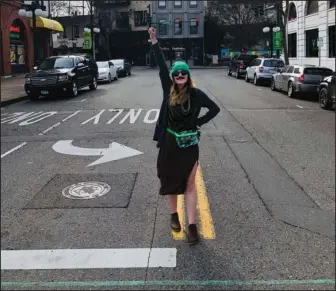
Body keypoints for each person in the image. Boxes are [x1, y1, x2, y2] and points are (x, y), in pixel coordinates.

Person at [148, 27, 220, 245]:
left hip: (189, 145)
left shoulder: (197, 95)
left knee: (189, 184)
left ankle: (191, 225)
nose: (179, 76)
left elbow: (215, 109)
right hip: (169, 143)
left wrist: (198, 122)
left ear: (188, 76)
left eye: (183, 73)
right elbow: (161, 66)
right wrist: (154, 42)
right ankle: (174, 215)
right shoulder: (168, 89)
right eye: (177, 73)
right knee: (170, 180)